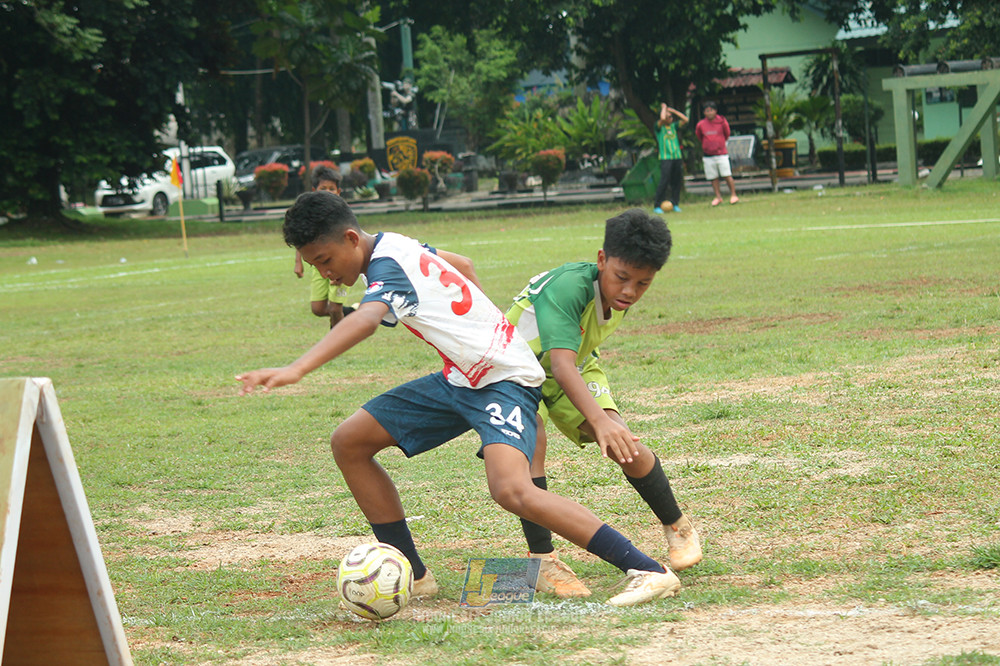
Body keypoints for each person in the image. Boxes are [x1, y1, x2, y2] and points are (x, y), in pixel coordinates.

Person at [236, 192, 683, 607]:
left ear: (352, 239)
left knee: (511, 490)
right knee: (349, 441)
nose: (325, 273)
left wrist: (297, 369)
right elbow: (462, 265)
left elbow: (367, 320)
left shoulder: (388, 265)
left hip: (504, 380)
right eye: (315, 265)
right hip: (463, 378)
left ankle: (646, 569)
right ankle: (414, 574)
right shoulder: (395, 243)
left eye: (325, 260)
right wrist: (486, 327)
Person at [506, 209, 702, 599]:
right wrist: (598, 420)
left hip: (573, 364)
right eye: (622, 277)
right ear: (601, 260)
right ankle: (543, 560)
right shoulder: (569, 287)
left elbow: (570, 361)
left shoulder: (616, 296)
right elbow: (560, 365)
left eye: (643, 283)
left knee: (624, 444)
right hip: (513, 373)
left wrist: (606, 422)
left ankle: (678, 527)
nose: (630, 291)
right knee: (533, 447)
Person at [293, 165, 354, 327]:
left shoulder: (342, 214)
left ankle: (339, 340)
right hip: (319, 266)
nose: (327, 192)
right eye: (323, 188)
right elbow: (302, 238)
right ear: (314, 190)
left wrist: (341, 272)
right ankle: (356, 312)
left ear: (338, 192)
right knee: (318, 309)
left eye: (331, 189)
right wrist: (298, 262)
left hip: (340, 265)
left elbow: (350, 242)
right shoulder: (310, 213)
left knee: (335, 309)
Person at [695, 101, 739, 207]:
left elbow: (727, 134)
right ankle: (718, 197)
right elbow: (699, 136)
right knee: (713, 177)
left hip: (721, 154)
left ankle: (733, 195)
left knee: (726, 175)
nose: (709, 113)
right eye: (707, 111)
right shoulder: (701, 124)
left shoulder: (722, 121)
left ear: (715, 111)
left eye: (711, 110)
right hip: (708, 155)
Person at [653, 103, 689, 214]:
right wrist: (664, 108)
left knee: (676, 181)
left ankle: (675, 203)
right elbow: (662, 119)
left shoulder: (674, 126)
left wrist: (673, 111)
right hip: (666, 157)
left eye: (671, 117)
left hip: (676, 156)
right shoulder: (659, 127)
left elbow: (686, 119)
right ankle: (657, 204)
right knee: (664, 180)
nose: (670, 119)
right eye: (668, 117)